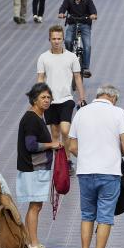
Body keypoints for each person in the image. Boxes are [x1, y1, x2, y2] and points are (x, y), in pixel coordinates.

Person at [68, 85, 124, 248]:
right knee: (105, 216)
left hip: (86, 171)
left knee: (87, 214)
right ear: (114, 98)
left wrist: (89, 154)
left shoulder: (81, 112)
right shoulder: (118, 113)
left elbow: (72, 146)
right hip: (109, 172)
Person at [17, 83, 62, 248]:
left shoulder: (37, 116)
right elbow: (30, 145)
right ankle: (34, 246)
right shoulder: (31, 119)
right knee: (35, 206)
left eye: (49, 97)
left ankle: (30, 242)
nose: (47, 100)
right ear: (34, 99)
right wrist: (52, 145)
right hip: (34, 168)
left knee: (34, 206)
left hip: (35, 168)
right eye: (43, 97)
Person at [37, 25, 86, 156]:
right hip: (50, 101)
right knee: (54, 133)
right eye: (54, 38)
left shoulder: (71, 57)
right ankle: (61, 163)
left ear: (63, 39)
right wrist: (38, 98)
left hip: (66, 99)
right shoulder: (43, 57)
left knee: (65, 130)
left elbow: (77, 77)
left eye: (59, 38)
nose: (57, 41)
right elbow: (41, 78)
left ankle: (68, 159)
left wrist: (82, 97)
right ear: (49, 39)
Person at [59, 0, 97, 76]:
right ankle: (70, 58)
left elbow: (93, 11)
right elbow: (63, 8)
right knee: (68, 41)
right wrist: (61, 13)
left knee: (87, 46)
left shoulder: (88, 0)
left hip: (85, 24)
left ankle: (85, 68)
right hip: (72, 23)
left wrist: (93, 15)